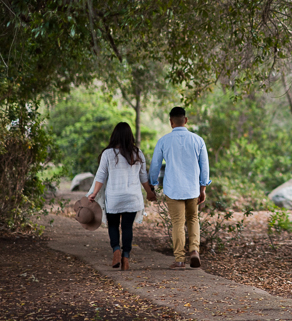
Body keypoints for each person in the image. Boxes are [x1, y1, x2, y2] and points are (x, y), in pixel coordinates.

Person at [88, 122, 157, 271]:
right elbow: (143, 177)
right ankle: (126, 257)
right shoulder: (137, 153)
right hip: (132, 198)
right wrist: (150, 193)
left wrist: (94, 193)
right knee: (127, 227)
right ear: (129, 136)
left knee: (113, 225)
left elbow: (101, 176)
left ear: (115, 136)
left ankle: (116, 250)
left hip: (114, 197)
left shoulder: (108, 154)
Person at [149, 106, 210, 269]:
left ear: (171, 122)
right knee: (193, 219)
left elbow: (155, 165)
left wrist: (152, 185)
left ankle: (179, 260)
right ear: (186, 120)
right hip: (192, 188)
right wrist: (203, 188)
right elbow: (205, 167)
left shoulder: (164, 141)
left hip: (173, 188)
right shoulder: (198, 140)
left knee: (177, 222)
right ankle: (194, 251)